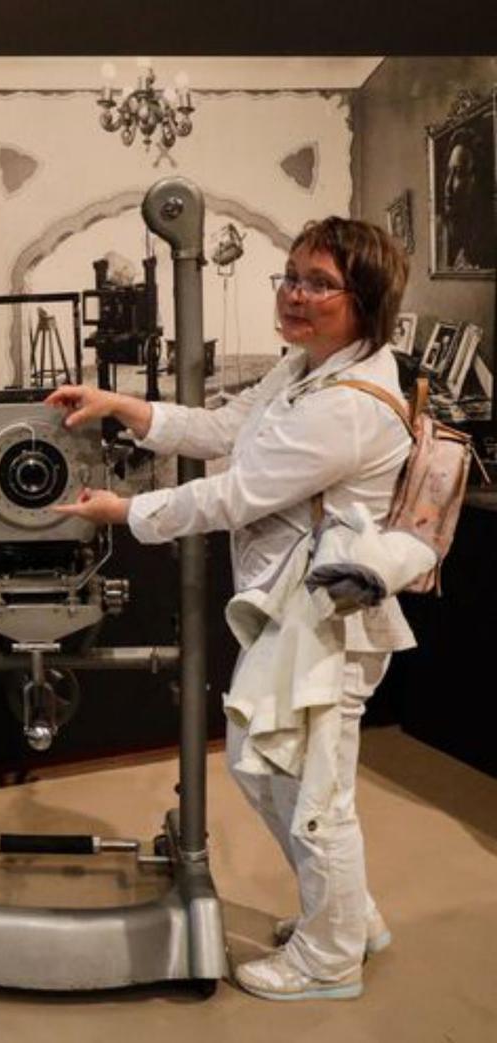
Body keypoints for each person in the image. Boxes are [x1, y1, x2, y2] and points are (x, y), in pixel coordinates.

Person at [46, 217, 416, 1001]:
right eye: (291, 276)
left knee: (311, 793)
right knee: (271, 767)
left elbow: (234, 494)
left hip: (328, 624)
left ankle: (330, 959)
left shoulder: (348, 406)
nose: (294, 294)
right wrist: (120, 403)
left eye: (318, 284)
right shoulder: (306, 369)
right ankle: (349, 916)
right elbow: (222, 427)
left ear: (366, 301)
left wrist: (125, 512)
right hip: (292, 615)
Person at [439, 125, 495, 271]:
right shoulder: (440, 234)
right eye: (448, 172)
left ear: (476, 180)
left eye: (459, 173)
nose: (448, 185)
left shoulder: (489, 239)